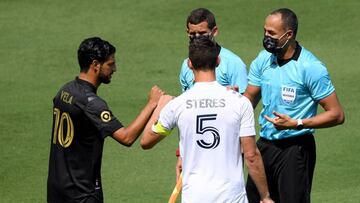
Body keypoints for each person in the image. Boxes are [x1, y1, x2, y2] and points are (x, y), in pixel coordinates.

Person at [141, 38, 274, 203]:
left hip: (195, 196)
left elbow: (146, 141)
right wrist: (265, 196)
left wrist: (159, 106)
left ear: (190, 64)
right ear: (218, 61)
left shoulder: (177, 105)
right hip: (231, 197)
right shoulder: (240, 103)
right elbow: (252, 156)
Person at [244, 8, 345, 203]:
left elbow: (337, 114)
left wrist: (297, 123)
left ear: (288, 34)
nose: (266, 37)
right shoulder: (263, 59)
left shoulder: (310, 67)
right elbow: (249, 97)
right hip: (265, 145)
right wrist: (230, 101)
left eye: (271, 33)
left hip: (295, 149)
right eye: (265, 31)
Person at [47, 37, 163, 203]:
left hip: (57, 190)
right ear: (95, 65)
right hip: (82, 193)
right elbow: (127, 137)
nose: (114, 68)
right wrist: (152, 104)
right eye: (110, 64)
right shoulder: (92, 103)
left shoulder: (64, 91)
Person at [176, 7, 248, 180]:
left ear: (214, 32)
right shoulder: (186, 65)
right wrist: (181, 153)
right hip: (195, 149)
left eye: (202, 33)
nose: (197, 39)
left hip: (225, 149)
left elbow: (245, 109)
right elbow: (184, 114)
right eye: (192, 35)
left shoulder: (233, 63)